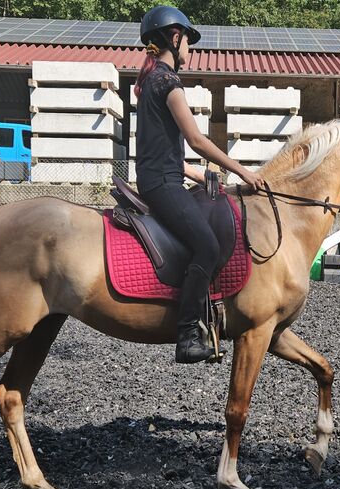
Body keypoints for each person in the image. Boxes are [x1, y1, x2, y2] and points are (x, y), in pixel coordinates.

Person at [135, 5, 265, 364]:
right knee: (207, 246)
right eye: (188, 42)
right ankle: (187, 334)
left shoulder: (147, 81)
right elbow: (196, 140)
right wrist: (242, 171)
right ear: (174, 38)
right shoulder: (169, 83)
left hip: (158, 178)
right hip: (162, 186)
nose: (189, 51)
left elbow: (165, 151)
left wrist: (198, 174)